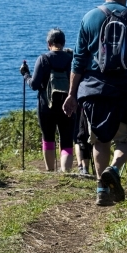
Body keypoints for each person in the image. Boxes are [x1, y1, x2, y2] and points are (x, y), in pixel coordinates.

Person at [63, 0, 127, 206]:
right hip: (125, 88)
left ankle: (101, 190)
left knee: (99, 141)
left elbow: (78, 60)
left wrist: (71, 94)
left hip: (93, 89)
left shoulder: (89, 17)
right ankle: (114, 169)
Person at [20, 28, 75, 172]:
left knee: (48, 138)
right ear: (64, 43)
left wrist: (26, 74)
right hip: (68, 105)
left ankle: (51, 172)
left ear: (49, 43)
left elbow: (34, 85)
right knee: (67, 139)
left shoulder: (43, 59)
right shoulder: (71, 59)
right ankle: (66, 172)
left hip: (46, 106)